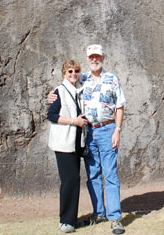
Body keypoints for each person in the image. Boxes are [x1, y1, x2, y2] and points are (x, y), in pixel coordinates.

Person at [81, 44, 127, 235]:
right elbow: (64, 90)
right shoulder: (81, 80)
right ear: (87, 58)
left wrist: (117, 130)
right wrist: (52, 96)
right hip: (89, 132)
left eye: (97, 57)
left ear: (103, 58)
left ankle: (115, 217)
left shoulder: (112, 79)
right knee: (93, 174)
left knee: (110, 173)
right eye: (91, 57)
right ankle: (98, 213)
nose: (94, 60)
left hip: (107, 129)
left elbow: (120, 106)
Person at [47, 60, 88, 233]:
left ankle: (71, 220)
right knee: (69, 180)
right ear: (64, 73)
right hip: (64, 143)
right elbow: (51, 115)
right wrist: (74, 121)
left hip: (76, 143)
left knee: (74, 180)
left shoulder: (81, 89)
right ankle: (65, 221)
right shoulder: (59, 91)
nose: (73, 74)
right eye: (70, 71)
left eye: (76, 71)